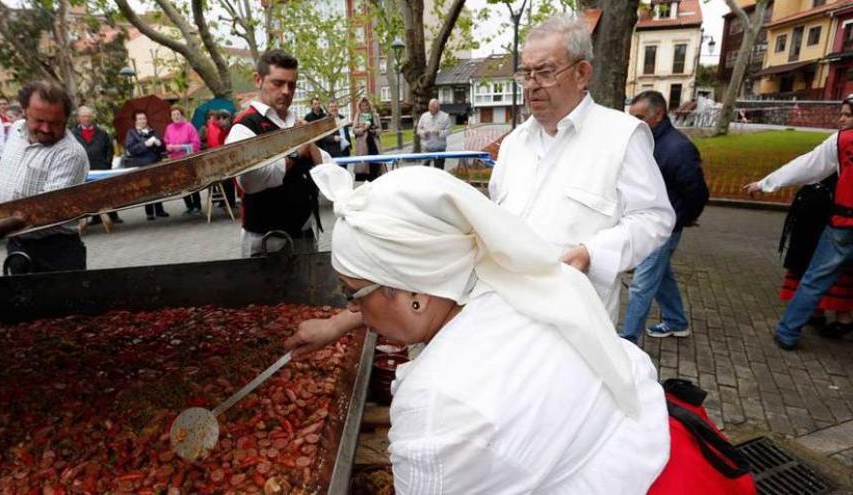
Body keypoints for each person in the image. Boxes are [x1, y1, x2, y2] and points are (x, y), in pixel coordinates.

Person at [288, 164, 670, 493]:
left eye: (352, 294)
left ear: (414, 289)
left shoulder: (435, 408)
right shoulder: (520, 286)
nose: (352, 308)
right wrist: (341, 322)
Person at [488, 15, 675, 322]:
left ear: (581, 73)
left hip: (577, 323)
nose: (531, 85)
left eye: (545, 72)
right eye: (526, 73)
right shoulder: (513, 144)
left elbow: (655, 219)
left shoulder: (621, 136)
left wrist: (593, 252)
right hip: (507, 311)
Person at [744, 96, 853, 349]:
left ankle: (788, 332)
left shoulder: (842, 141)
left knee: (814, 280)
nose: (842, 119)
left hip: (844, 224)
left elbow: (808, 166)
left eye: (848, 114)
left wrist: (765, 184)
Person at [620, 91, 709, 343]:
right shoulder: (646, 142)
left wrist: (681, 219)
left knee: (641, 284)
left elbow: (697, 192)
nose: (633, 123)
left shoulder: (678, 148)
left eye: (639, 117)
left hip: (662, 229)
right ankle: (676, 321)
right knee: (661, 278)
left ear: (658, 115)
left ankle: (627, 340)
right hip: (645, 223)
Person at [227, 49, 329, 257]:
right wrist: (298, 150)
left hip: (305, 234)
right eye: (278, 83)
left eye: (291, 85)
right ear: (258, 80)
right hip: (267, 242)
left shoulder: (296, 123)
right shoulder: (245, 126)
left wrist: (311, 146)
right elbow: (252, 181)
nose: (286, 91)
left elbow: (330, 171)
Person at [0, 81, 89, 273]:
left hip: (54, 253)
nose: (46, 129)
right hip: (17, 245)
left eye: (55, 123)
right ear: (24, 112)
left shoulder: (69, 153)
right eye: (39, 120)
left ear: (66, 119)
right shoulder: (16, 130)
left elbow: (44, 213)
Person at [71, 105, 122, 225]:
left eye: (88, 116)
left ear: (92, 117)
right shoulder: (73, 134)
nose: (86, 119)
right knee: (89, 194)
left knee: (106, 192)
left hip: (101, 167)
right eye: (84, 116)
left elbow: (109, 149)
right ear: (79, 118)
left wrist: (107, 163)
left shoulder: (102, 133)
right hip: (83, 169)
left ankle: (113, 215)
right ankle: (95, 217)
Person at [124, 110, 168, 220]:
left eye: (144, 118)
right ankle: (149, 212)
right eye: (139, 119)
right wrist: (145, 144)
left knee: (157, 186)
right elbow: (131, 149)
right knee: (146, 187)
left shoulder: (152, 131)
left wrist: (160, 143)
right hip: (142, 164)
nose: (142, 121)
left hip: (155, 162)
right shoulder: (132, 133)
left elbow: (162, 147)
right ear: (135, 121)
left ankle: (159, 209)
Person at [164, 107, 203, 215]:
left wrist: (181, 147)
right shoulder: (169, 128)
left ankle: (197, 206)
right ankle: (189, 206)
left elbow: (196, 144)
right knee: (182, 184)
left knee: (192, 183)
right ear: (171, 117)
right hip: (175, 160)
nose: (176, 116)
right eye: (173, 115)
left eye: (178, 114)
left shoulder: (189, 127)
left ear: (181, 115)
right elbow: (166, 142)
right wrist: (169, 147)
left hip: (188, 159)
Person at [202, 109, 237, 207]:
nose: (221, 120)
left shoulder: (232, 129)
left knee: (230, 181)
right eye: (219, 118)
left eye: (224, 118)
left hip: (232, 157)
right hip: (222, 158)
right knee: (225, 181)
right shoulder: (220, 131)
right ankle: (227, 202)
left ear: (229, 118)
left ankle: (230, 202)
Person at [352, 96, 383, 182]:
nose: (364, 107)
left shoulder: (375, 115)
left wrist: (374, 131)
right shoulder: (358, 116)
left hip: (374, 145)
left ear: (369, 105)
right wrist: (364, 129)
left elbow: (380, 130)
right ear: (360, 107)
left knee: (375, 168)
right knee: (364, 168)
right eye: (362, 105)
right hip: (362, 146)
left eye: (366, 105)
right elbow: (354, 130)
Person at [416, 98, 451, 169]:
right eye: (429, 107)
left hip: (439, 148)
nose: (430, 109)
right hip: (426, 148)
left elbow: (449, 130)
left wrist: (440, 133)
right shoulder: (424, 116)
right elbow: (418, 129)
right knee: (425, 169)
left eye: (433, 108)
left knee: (439, 170)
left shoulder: (445, 116)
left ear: (438, 108)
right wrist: (423, 133)